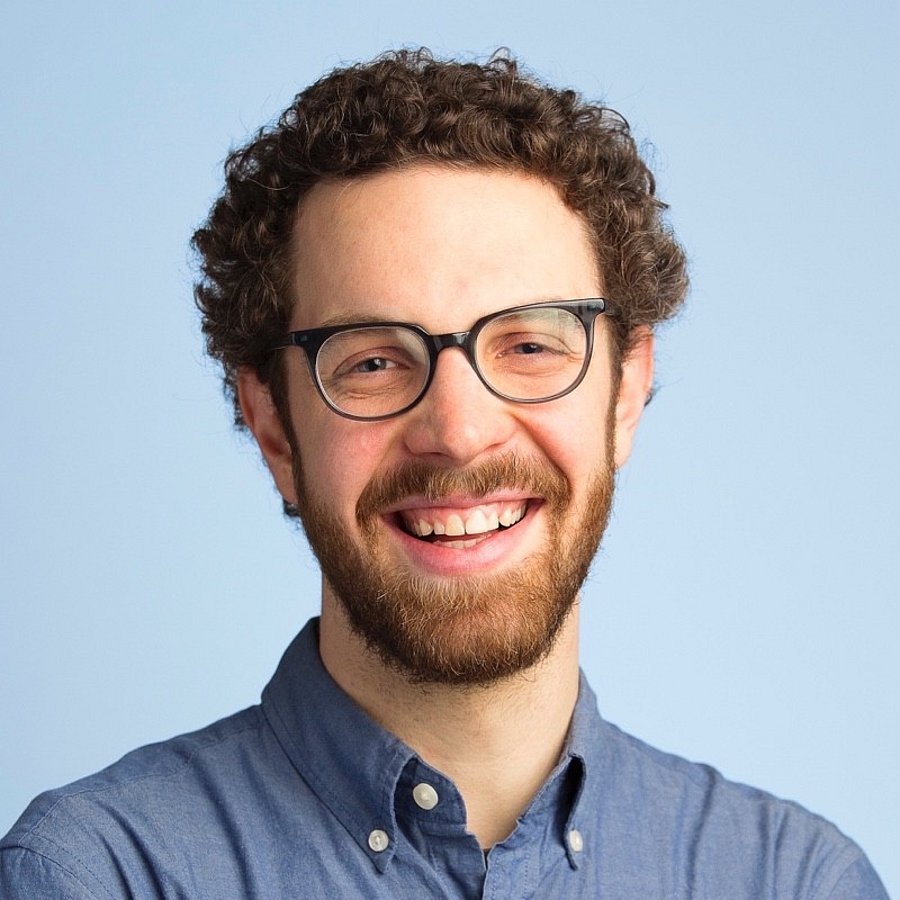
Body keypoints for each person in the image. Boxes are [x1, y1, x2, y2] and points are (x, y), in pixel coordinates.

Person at [0, 49, 888, 899]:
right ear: (273, 425)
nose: (459, 433)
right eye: (373, 362)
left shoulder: (794, 882)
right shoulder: (98, 877)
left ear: (626, 395)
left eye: (532, 345)